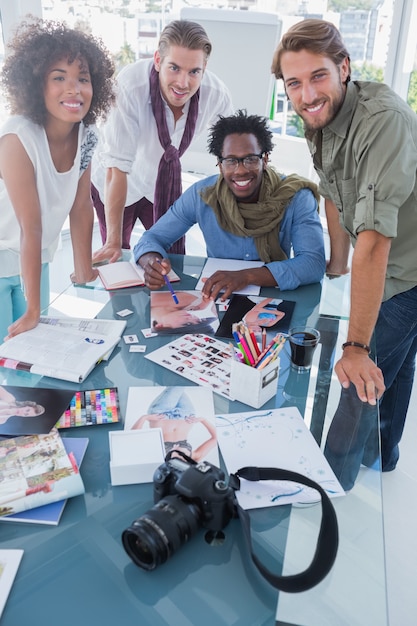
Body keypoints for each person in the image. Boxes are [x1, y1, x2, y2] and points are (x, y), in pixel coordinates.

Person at [271, 18, 417, 476]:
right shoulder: (321, 116)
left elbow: (374, 245)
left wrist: (355, 345)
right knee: (396, 361)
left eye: (318, 76)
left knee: (362, 374)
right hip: (395, 258)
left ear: (344, 68)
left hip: (408, 268)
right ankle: (383, 454)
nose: (307, 94)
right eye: (294, 83)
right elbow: (332, 191)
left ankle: (331, 475)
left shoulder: (382, 122)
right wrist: (336, 264)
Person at [0, 18, 115, 341]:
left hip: (37, 256)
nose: (74, 88)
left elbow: (80, 207)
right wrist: (33, 310)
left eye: (83, 78)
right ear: (36, 84)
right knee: (7, 356)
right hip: (12, 249)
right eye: (59, 77)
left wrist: (83, 270)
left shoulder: (87, 136)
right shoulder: (17, 137)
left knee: (33, 351)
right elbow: (30, 226)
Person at [135, 109, 325, 302]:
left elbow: (313, 263)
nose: (240, 170)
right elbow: (152, 238)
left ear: (265, 159)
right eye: (230, 161)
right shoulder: (202, 195)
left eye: (250, 159)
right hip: (217, 299)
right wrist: (151, 261)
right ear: (219, 163)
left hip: (275, 300)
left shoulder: (296, 197)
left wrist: (247, 276)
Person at [91, 19, 233, 264]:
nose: (183, 83)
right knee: (118, 261)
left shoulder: (216, 95)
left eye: (194, 72)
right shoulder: (130, 87)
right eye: (174, 68)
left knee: (167, 263)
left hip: (160, 187)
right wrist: (113, 242)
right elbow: (117, 169)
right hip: (117, 183)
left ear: (204, 67)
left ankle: (164, 303)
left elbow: (232, 153)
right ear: (158, 60)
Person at [131, 387, 217, 462]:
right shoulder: (194, 458)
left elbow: (133, 439)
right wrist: (203, 420)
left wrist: (144, 418)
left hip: (161, 412)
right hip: (186, 414)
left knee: (178, 384)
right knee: (178, 384)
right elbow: (215, 438)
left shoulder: (158, 460)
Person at [150, 290, 218, 334]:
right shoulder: (200, 302)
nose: (194, 318)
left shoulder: (142, 312)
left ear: (160, 327)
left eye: (188, 324)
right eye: (200, 321)